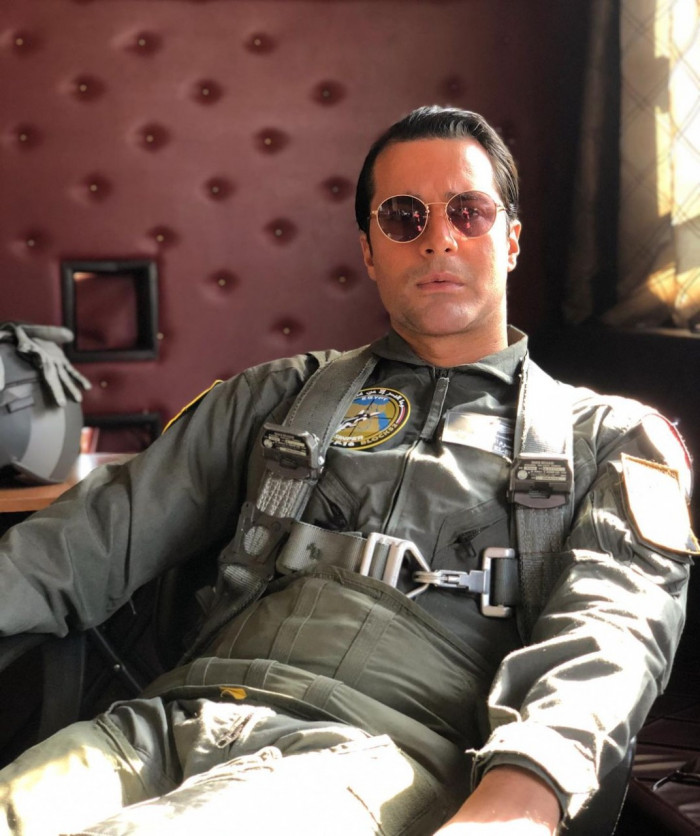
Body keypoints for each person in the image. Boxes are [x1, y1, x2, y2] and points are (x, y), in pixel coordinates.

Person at [0, 105, 696, 836]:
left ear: (511, 239)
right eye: (403, 217)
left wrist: (520, 799)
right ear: (369, 250)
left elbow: (614, 628)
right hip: (159, 726)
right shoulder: (271, 398)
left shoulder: (613, 439)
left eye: (468, 212)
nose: (438, 238)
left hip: (376, 759)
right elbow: (80, 545)